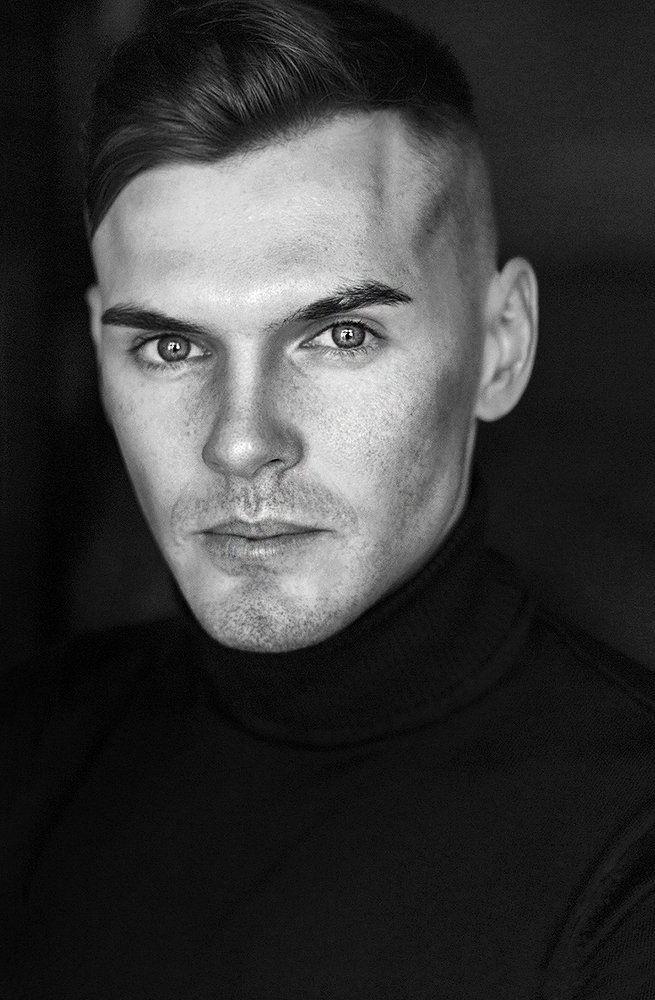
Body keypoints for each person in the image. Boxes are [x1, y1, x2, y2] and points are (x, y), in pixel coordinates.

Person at [2, 0, 655, 996]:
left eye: (340, 336)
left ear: (501, 346)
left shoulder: (627, 851)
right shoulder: (29, 750)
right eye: (170, 346)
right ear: (100, 354)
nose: (240, 439)